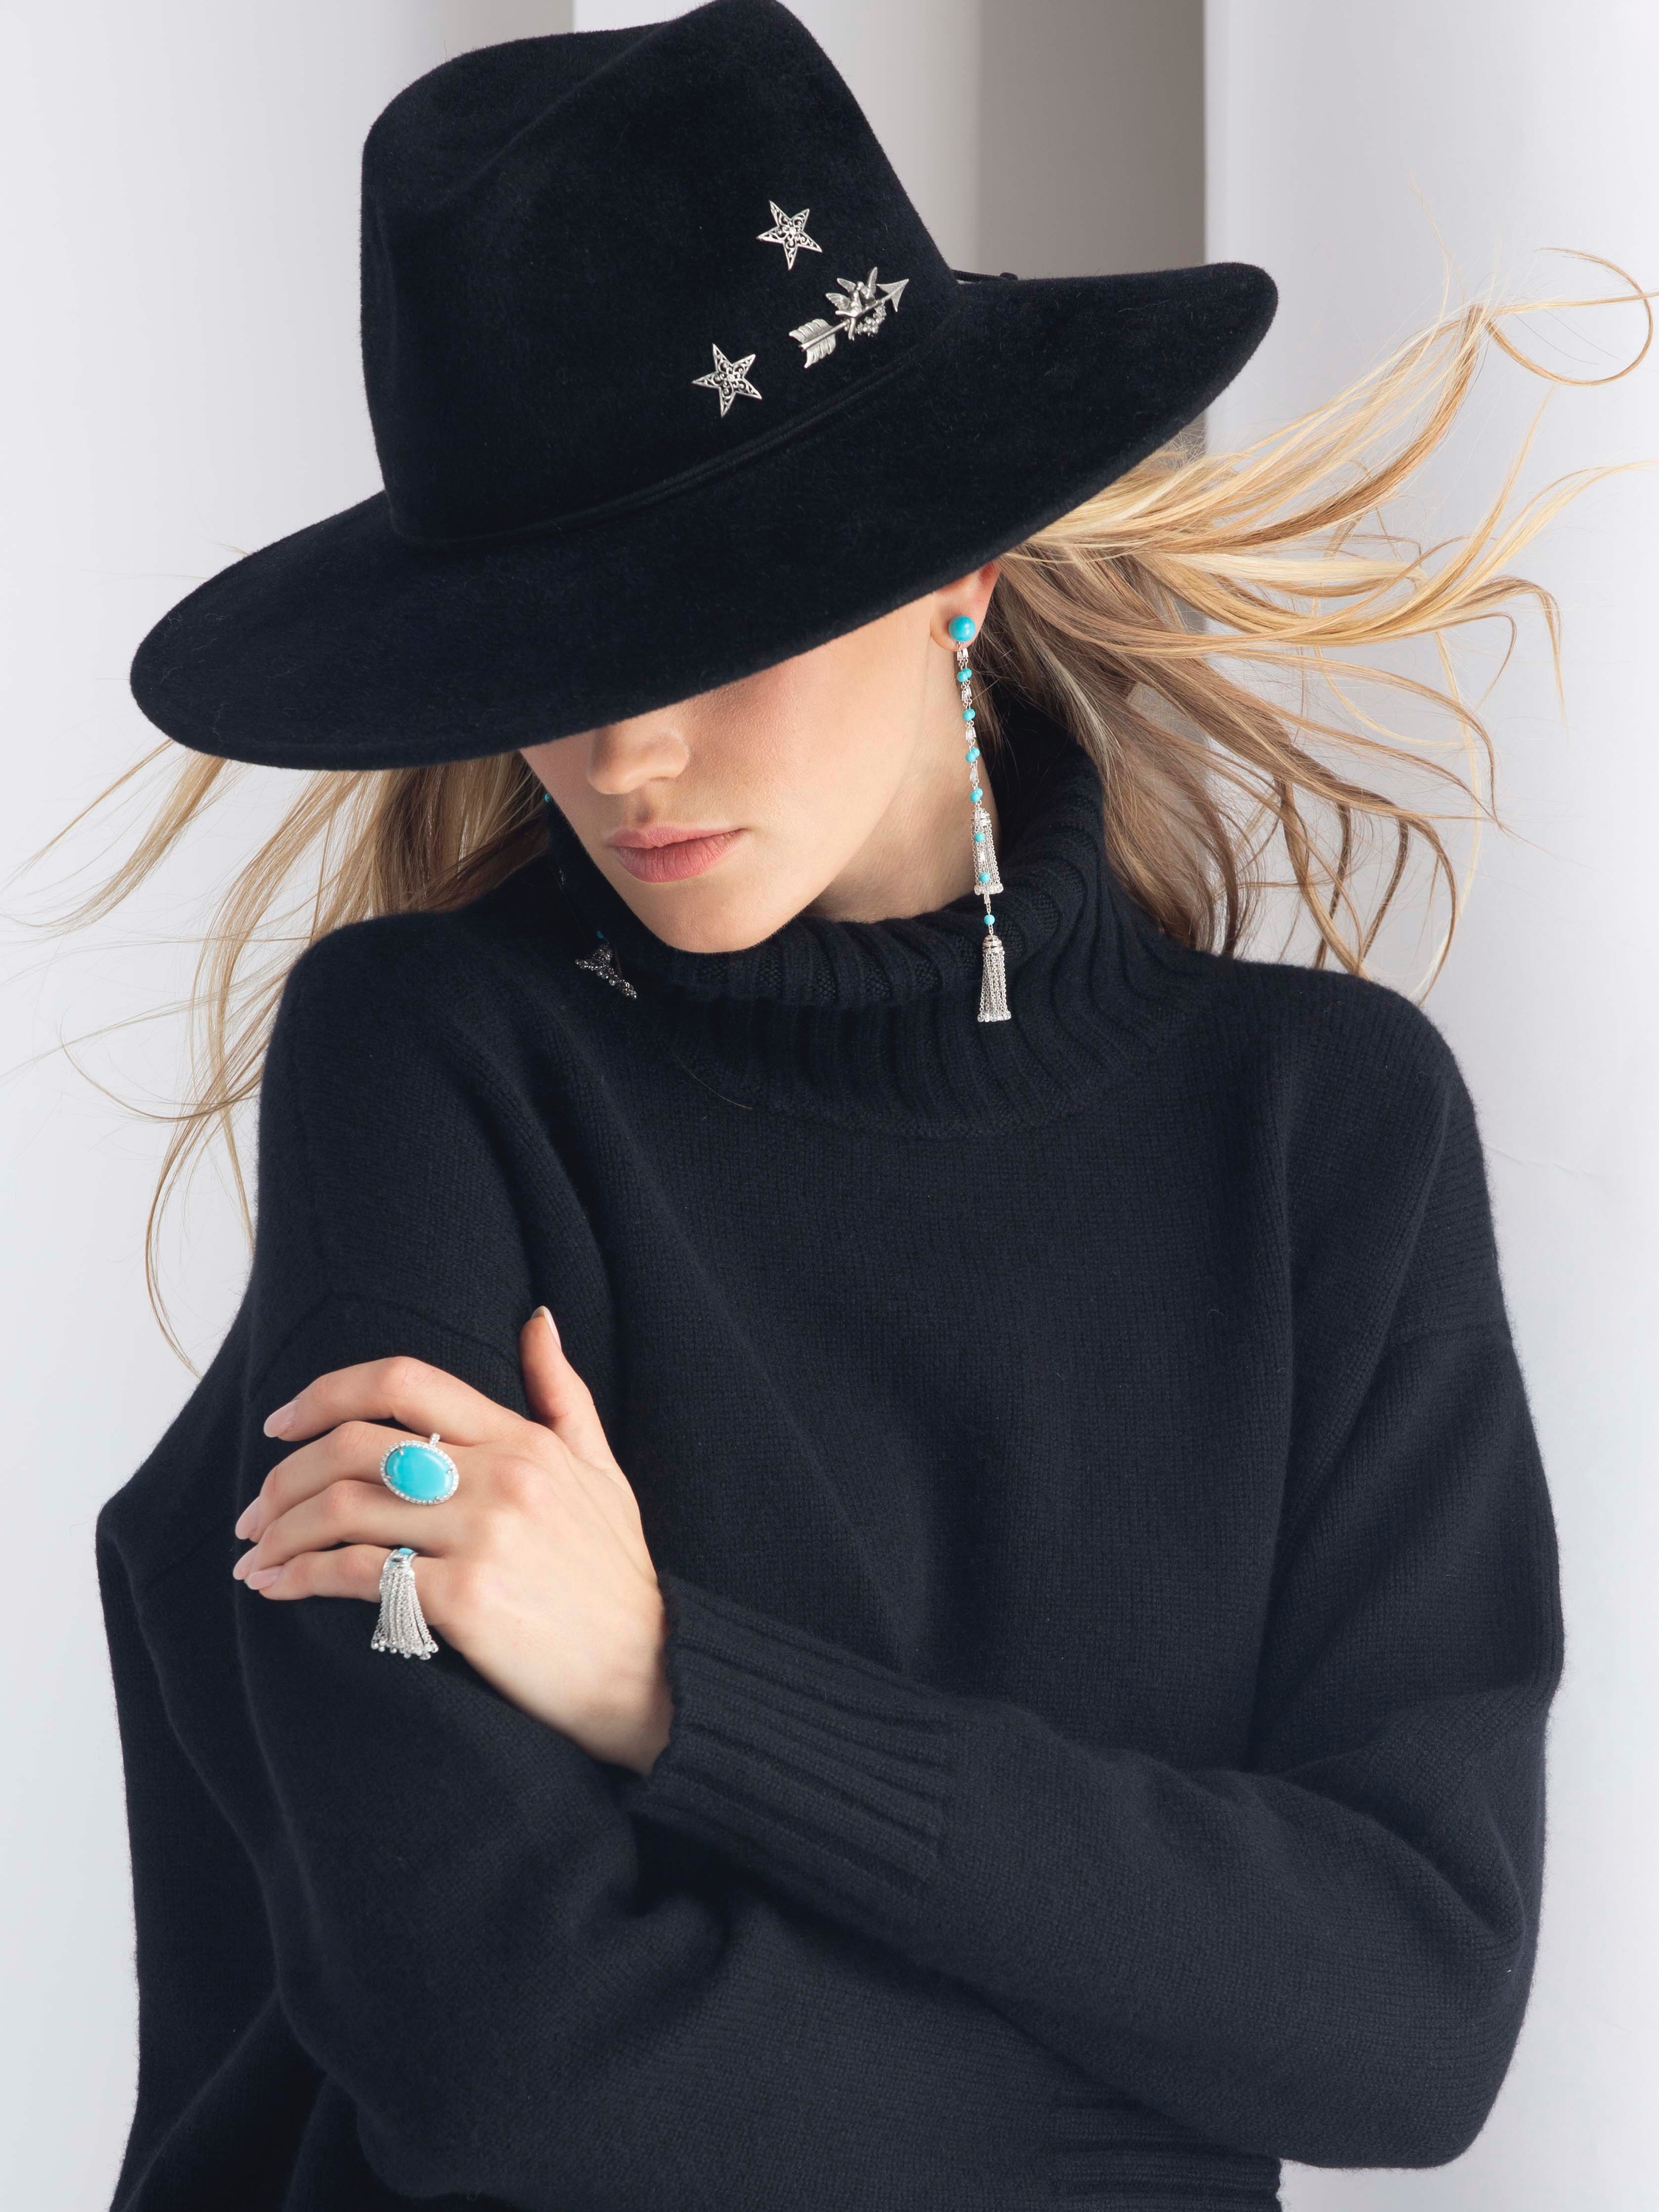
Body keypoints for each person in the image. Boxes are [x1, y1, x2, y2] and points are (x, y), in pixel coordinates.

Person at [88, 2, 1629, 2206]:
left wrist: (670, 1679)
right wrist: (1175, 2106)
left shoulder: (1322, 1132)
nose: (620, 758)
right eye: (549, 654)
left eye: (711, 626)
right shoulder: (431, 1059)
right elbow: (521, 2070)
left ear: (954, 561)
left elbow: (1410, 2022)